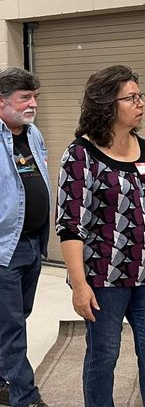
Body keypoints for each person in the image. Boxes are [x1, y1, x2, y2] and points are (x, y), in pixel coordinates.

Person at [55, 65, 145, 407]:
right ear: (105, 105)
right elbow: (70, 226)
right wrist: (79, 284)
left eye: (140, 95)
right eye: (131, 97)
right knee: (104, 357)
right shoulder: (80, 155)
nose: (140, 103)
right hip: (103, 280)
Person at [0, 67, 49, 407]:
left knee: (16, 317)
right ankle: (24, 397)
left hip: (33, 243)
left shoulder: (33, 134)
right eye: (24, 98)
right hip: (4, 248)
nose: (32, 104)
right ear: (1, 102)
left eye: (34, 98)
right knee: (12, 328)